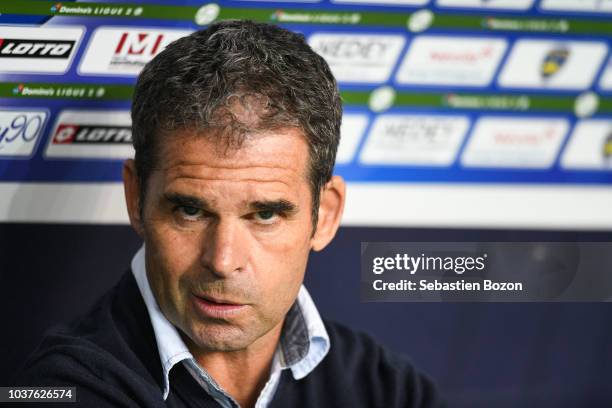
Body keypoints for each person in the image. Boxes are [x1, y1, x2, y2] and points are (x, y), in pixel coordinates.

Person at [15, 20, 442, 407]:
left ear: (324, 215)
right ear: (136, 198)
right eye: (190, 210)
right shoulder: (62, 389)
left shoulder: (387, 388)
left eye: (265, 215)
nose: (222, 261)